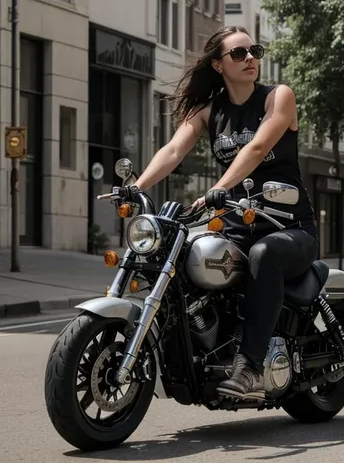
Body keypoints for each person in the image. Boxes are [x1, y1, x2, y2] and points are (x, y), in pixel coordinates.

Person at [132, 25, 318, 399]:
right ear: (218, 65)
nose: (250, 58)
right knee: (186, 257)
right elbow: (172, 152)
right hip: (235, 228)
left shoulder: (278, 97)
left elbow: (256, 147)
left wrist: (219, 187)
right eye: (238, 53)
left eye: (254, 51)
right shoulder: (209, 110)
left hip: (289, 227)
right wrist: (135, 188)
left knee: (265, 254)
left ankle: (249, 366)